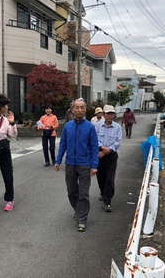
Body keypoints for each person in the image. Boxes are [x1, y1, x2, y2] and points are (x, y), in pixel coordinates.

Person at [55, 98, 99, 232]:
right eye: (77, 107)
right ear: (73, 110)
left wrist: (94, 165)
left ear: (85, 109)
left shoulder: (90, 127)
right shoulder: (68, 126)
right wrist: (58, 160)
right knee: (71, 192)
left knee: (83, 193)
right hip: (70, 164)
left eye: (82, 107)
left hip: (84, 164)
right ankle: (78, 210)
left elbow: (94, 147)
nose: (79, 110)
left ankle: (82, 219)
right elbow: (62, 145)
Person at [96, 105, 123, 212]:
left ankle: (107, 202)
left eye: (112, 113)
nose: (110, 115)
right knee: (100, 177)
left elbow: (118, 141)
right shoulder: (97, 126)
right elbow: (94, 139)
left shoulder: (117, 127)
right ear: (104, 114)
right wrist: (102, 148)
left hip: (111, 156)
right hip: (99, 155)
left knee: (110, 179)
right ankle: (103, 193)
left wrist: (109, 150)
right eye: (108, 113)